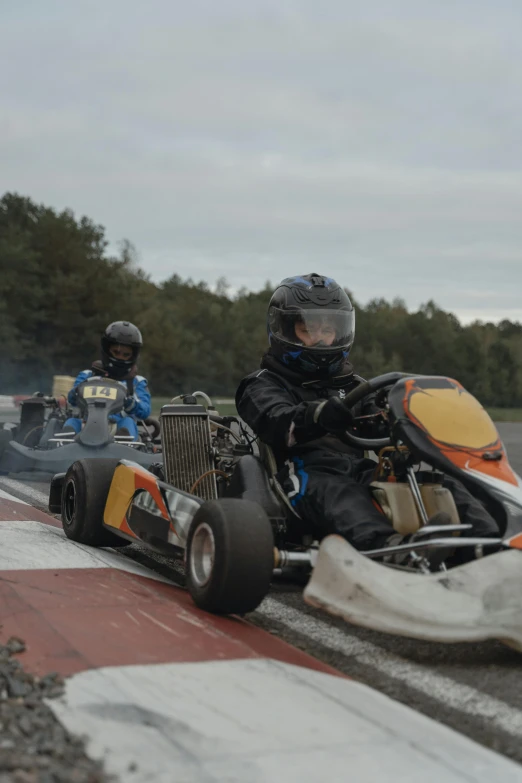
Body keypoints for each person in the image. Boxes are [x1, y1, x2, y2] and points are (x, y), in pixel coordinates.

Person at [235, 273, 499, 560]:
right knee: (341, 493)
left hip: (360, 469)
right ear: (284, 329)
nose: (321, 339)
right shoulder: (262, 383)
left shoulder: (354, 386)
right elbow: (276, 422)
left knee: (438, 483)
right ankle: (391, 551)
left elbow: (377, 422)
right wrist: (318, 415)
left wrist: (400, 422)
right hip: (300, 476)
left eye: (328, 330)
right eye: (308, 329)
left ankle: (487, 545)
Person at [64, 321, 151, 440]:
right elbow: (72, 400)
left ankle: (123, 447)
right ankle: (64, 448)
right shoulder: (88, 375)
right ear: (106, 349)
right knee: (72, 422)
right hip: (87, 423)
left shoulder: (136, 382)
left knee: (128, 423)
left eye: (126, 354)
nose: (120, 357)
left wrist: (131, 403)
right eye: (116, 352)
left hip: (117, 427)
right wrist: (75, 393)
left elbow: (145, 411)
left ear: (133, 356)